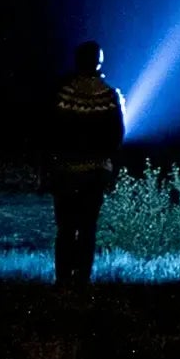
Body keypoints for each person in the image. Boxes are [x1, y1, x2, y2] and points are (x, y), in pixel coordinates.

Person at [45, 40, 127, 286]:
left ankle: (62, 281)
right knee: (88, 227)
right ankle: (82, 280)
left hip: (65, 171)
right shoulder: (110, 95)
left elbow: (50, 131)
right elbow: (118, 134)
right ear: (99, 62)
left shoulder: (62, 93)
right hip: (95, 171)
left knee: (66, 228)